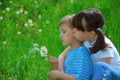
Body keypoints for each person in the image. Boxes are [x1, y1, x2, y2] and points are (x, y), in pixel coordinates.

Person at [59, 8, 120, 80]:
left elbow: (103, 72)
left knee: (99, 66)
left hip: (114, 76)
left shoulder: (104, 47)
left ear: (91, 33)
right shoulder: (85, 40)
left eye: (78, 29)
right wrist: (61, 72)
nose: (74, 30)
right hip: (98, 74)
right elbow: (62, 55)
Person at [48, 14, 93, 80]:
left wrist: (58, 74)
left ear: (75, 31)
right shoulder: (71, 52)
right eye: (60, 32)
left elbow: (81, 78)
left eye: (64, 32)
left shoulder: (81, 53)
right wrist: (54, 67)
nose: (60, 36)